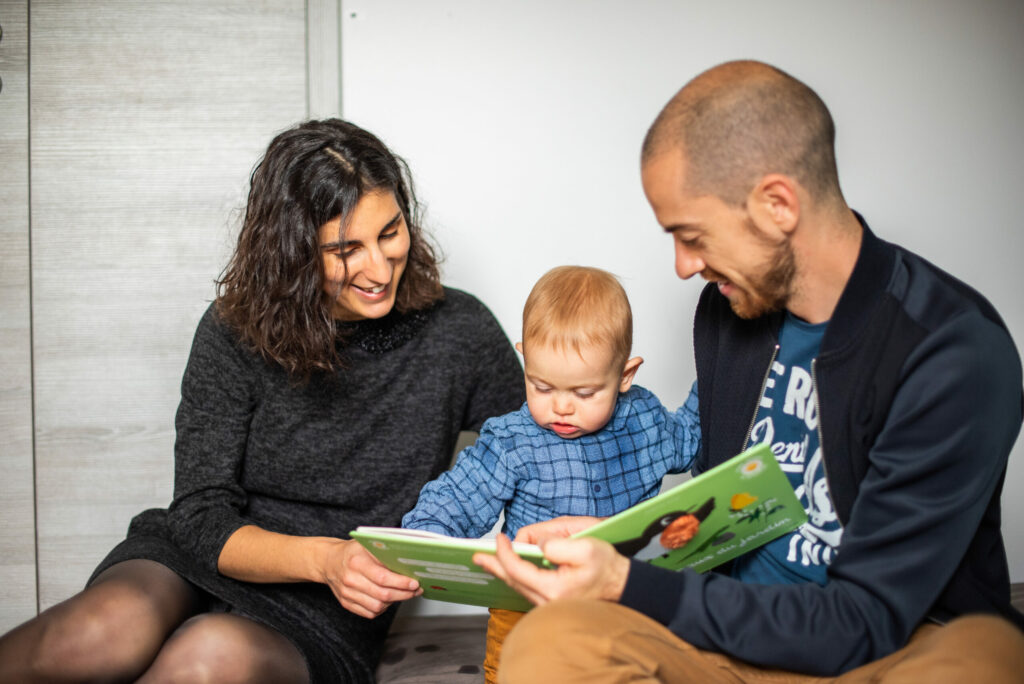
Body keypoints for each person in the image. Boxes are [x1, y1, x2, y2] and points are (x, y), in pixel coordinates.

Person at [474, 60, 1024, 682]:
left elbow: (864, 619)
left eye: (693, 235)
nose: (683, 266)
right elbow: (720, 514)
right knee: (549, 645)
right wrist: (623, 543)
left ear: (777, 204)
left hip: (886, 646)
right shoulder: (727, 310)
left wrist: (627, 579)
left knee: (984, 660)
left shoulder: (952, 352)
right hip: (722, 628)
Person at [0, 119, 525, 684]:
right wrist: (324, 558)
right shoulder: (233, 330)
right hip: (204, 559)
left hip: (330, 606)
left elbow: (540, 449)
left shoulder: (459, 332)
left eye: (390, 232)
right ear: (294, 252)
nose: (378, 267)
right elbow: (199, 517)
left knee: (207, 657)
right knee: (101, 629)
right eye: (346, 250)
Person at [402, 265, 700, 683]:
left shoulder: (645, 419)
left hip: (622, 596)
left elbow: (691, 437)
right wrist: (419, 540)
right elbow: (459, 497)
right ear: (525, 359)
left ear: (625, 376)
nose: (561, 407)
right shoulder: (511, 440)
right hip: (527, 602)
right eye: (542, 386)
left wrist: (721, 376)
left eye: (584, 393)